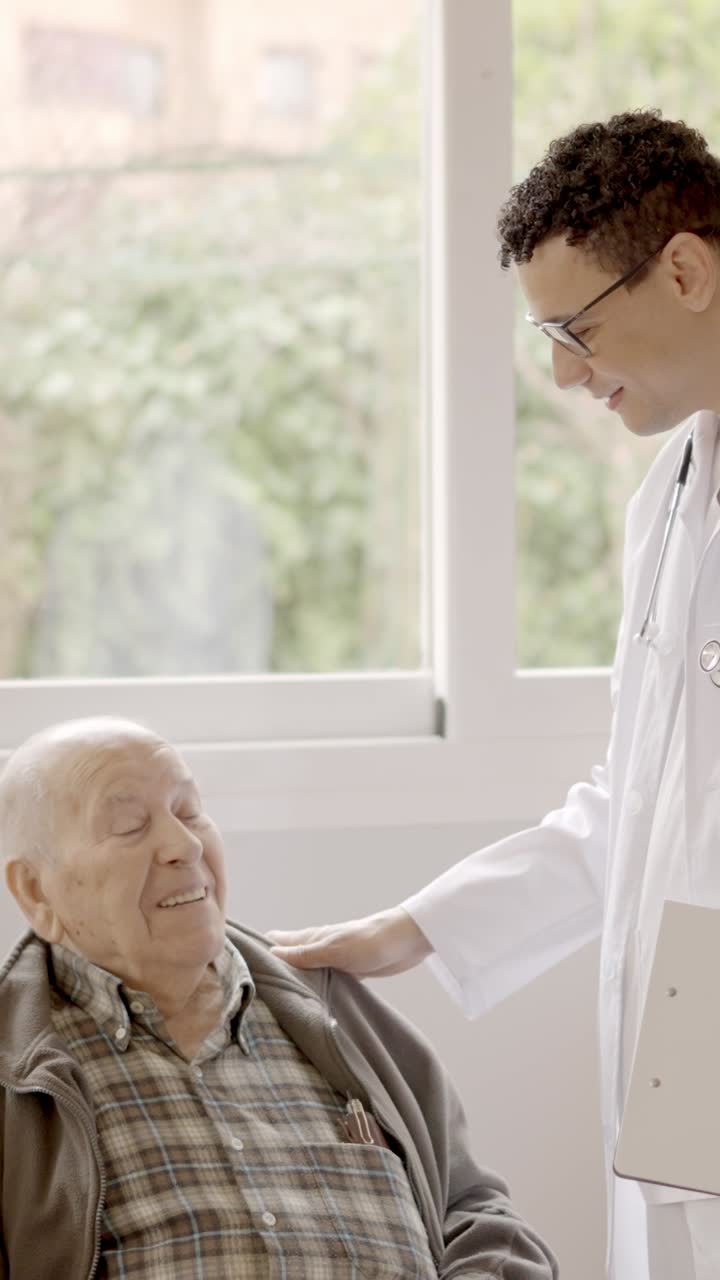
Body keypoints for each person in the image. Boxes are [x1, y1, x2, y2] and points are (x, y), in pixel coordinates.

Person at [268, 109, 720, 1280]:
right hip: (687, 1042)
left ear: (685, 269)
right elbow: (638, 805)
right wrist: (411, 928)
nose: (564, 372)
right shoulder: (672, 493)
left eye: (577, 329)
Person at [0, 716, 557, 1280]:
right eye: (129, 826)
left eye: (189, 811)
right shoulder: (16, 1071)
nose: (185, 845)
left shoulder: (339, 1013)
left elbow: (474, 1211)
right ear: (35, 890)